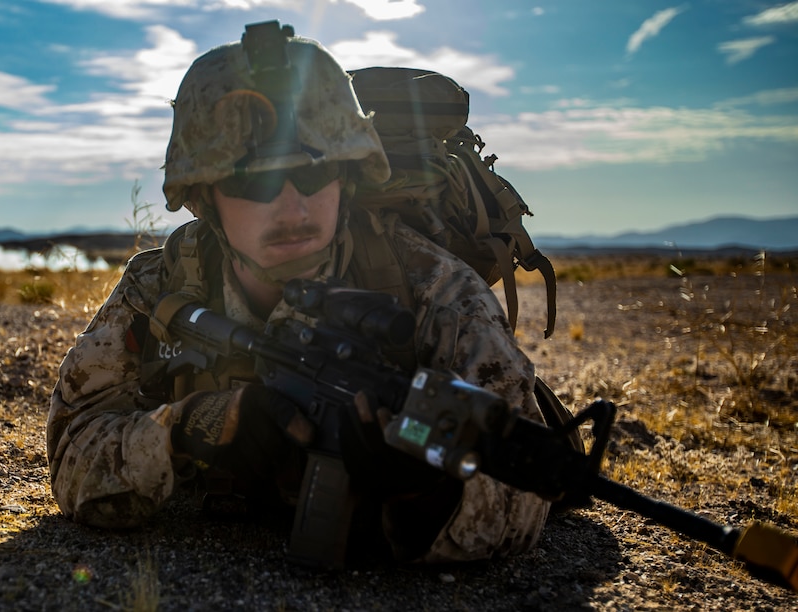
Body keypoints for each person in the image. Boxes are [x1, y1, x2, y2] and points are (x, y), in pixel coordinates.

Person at [47, 21, 549, 564]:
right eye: (254, 182)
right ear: (203, 197)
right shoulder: (161, 287)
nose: (292, 209)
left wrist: (424, 491)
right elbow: (74, 455)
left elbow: (530, 494)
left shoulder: (435, 288)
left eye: (315, 173)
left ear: (348, 177)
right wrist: (187, 427)